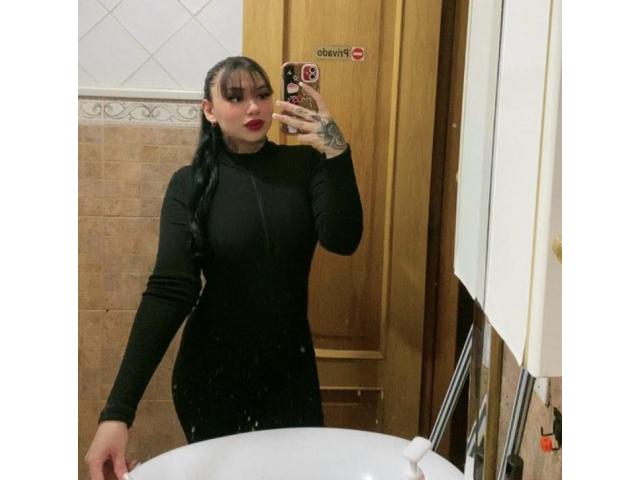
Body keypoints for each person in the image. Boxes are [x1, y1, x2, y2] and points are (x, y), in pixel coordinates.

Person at [84, 56, 363, 480]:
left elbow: (343, 240)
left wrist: (337, 151)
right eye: (235, 97)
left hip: (290, 375)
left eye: (262, 94)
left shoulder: (305, 167)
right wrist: (117, 412)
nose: (253, 107)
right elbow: (169, 292)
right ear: (209, 110)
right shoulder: (189, 184)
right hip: (211, 378)